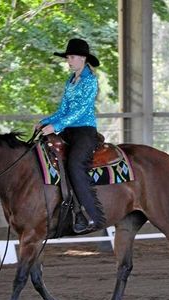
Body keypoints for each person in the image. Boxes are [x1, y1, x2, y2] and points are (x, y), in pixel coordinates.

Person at [36, 38, 105, 233]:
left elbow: (80, 111)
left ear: (83, 58)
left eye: (72, 57)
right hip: (68, 130)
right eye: (68, 57)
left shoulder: (90, 81)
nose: (69, 60)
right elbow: (63, 110)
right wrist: (46, 121)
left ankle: (90, 214)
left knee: (75, 165)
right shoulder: (70, 81)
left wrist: (55, 126)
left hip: (84, 131)